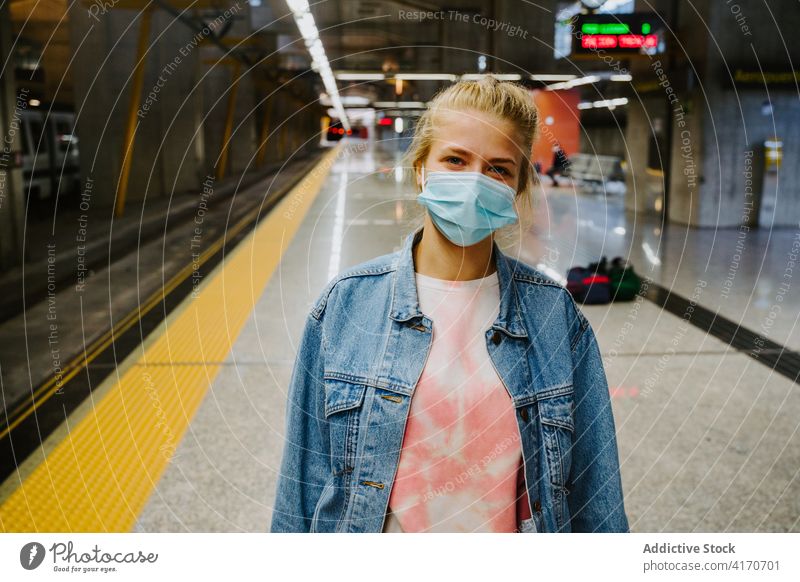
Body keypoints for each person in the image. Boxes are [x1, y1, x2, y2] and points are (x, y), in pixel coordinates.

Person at [270, 75, 629, 533]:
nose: (473, 182)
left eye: (498, 169)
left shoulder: (556, 319)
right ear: (421, 168)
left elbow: (596, 501)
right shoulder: (345, 308)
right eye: (455, 160)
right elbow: (300, 492)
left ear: (518, 188)